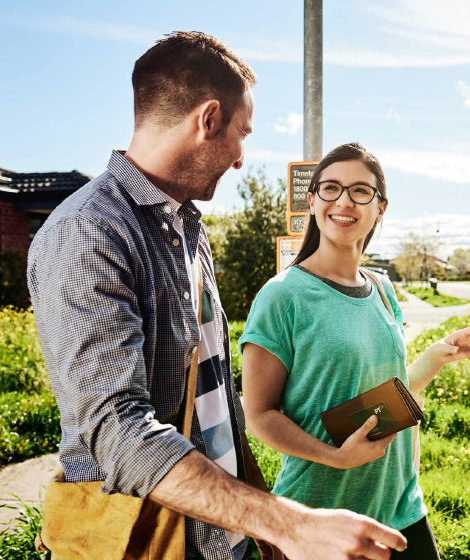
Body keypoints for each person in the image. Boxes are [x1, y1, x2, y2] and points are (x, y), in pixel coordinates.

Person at [27, 35, 408, 560]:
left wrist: (262, 518)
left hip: (224, 534)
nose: (240, 159)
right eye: (241, 134)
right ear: (208, 119)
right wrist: (286, 523)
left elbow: (216, 404)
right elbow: (116, 429)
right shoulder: (89, 230)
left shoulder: (186, 226)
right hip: (149, 539)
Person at [239, 142, 470, 559]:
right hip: (324, 520)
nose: (344, 201)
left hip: (402, 507)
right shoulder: (282, 296)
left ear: (380, 208)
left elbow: (385, 397)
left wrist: (437, 355)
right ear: (313, 200)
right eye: (331, 188)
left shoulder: (381, 288)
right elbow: (259, 415)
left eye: (360, 191)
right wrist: (336, 457)